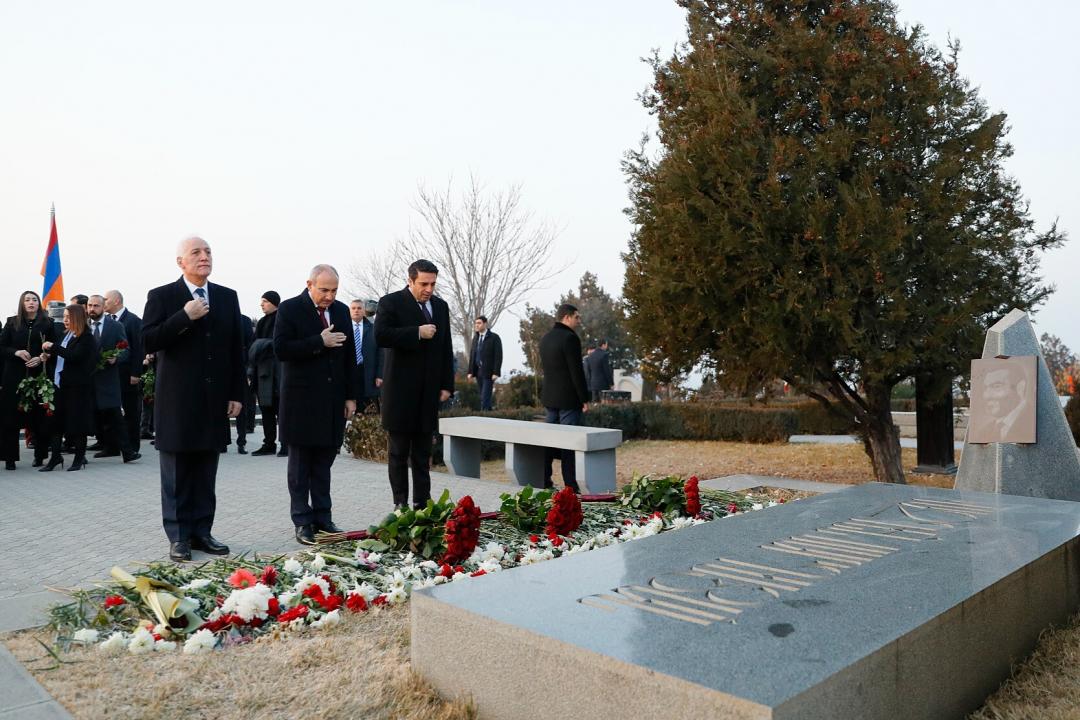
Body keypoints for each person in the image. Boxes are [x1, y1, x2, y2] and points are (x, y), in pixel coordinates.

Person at [143, 236, 245, 562]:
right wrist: (184, 317)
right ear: (180, 262)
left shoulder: (227, 297)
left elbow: (235, 350)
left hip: (214, 401)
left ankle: (202, 531)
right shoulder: (163, 296)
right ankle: (178, 536)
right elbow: (148, 339)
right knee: (176, 472)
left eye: (208, 252)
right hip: (177, 402)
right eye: (196, 253)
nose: (204, 257)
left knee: (205, 470)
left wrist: (237, 393)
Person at [274, 265, 357, 545]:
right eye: (324, 290)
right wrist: (318, 342)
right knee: (299, 468)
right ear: (309, 284)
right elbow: (281, 349)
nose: (329, 296)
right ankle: (302, 520)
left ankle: (323, 517)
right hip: (301, 401)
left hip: (332, 401)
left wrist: (350, 396)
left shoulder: (343, 311)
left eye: (334, 290)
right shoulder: (289, 309)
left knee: (323, 464)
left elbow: (349, 358)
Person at [375, 259, 454, 509]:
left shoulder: (440, 307)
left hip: (428, 392)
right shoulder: (391, 302)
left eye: (432, 283)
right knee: (398, 452)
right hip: (399, 391)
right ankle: (400, 504)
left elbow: (446, 347)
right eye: (424, 283)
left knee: (422, 453)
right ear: (410, 281)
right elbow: (381, 335)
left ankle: (423, 502)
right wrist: (416, 332)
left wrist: (446, 384)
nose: (429, 289)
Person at [1, 291, 58, 469]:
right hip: (14, 376)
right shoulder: (12, 322)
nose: (31, 303)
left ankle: (40, 455)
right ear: (22, 303)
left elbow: (53, 349)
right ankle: (10, 458)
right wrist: (16, 352)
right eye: (27, 300)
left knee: (39, 417)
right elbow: (2, 347)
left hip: (38, 376)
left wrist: (43, 357)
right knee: (10, 417)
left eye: (34, 300)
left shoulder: (47, 323)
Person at [539, 303, 589, 492]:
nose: (579, 320)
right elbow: (576, 372)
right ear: (566, 317)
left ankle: (544, 479)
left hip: (550, 398)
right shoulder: (570, 338)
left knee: (549, 443)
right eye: (577, 317)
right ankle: (571, 484)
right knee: (569, 444)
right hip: (568, 399)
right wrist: (584, 398)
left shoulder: (546, 338)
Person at [39, 304, 95, 471]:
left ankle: (79, 459)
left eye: (68, 317)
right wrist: (48, 356)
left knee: (77, 425)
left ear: (77, 318)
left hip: (77, 387)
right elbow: (62, 356)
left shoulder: (86, 337)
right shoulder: (66, 335)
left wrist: (54, 348)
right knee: (55, 423)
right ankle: (55, 457)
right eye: (63, 316)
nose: (64, 320)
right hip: (60, 385)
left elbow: (75, 356)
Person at [86, 295, 138, 462]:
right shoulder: (83, 326)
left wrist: (117, 358)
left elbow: (126, 349)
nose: (92, 309)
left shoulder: (115, 326)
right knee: (94, 415)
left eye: (96, 306)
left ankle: (128, 452)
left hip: (109, 378)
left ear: (103, 307)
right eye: (89, 305)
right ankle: (107, 447)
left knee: (115, 415)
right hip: (88, 378)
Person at [103, 290, 143, 455]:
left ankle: (132, 447)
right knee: (110, 409)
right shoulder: (105, 321)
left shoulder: (133, 320)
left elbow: (139, 349)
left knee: (131, 410)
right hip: (110, 375)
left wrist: (136, 373)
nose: (104, 302)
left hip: (127, 373)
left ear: (116, 300)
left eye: (106, 299)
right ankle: (111, 447)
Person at [250, 291, 282, 456]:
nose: (262, 305)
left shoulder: (282, 318)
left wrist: (261, 344)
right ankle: (269, 444)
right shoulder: (262, 322)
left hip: (278, 373)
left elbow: (279, 344)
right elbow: (253, 347)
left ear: (274, 302)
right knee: (266, 409)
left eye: (265, 301)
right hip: (262, 373)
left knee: (281, 409)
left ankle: (286, 444)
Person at [348, 298, 383, 414]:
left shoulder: (374, 329)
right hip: (350, 372)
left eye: (359, 308)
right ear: (349, 311)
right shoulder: (344, 328)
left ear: (364, 311)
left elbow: (381, 353)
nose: (356, 311)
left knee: (370, 410)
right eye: (353, 308)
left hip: (369, 373)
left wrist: (380, 375)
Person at [467, 315, 502, 411]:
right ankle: (489, 414)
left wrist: (496, 372)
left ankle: (484, 415)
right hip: (478, 371)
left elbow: (498, 356)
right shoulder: (476, 338)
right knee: (483, 395)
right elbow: (472, 355)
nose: (476, 325)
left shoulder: (494, 337)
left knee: (485, 396)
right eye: (476, 323)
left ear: (485, 324)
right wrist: (470, 371)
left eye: (479, 323)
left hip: (489, 372)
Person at [584, 338, 614, 403]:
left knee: (595, 403)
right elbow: (607, 371)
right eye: (606, 345)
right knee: (603, 404)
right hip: (603, 384)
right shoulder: (604, 355)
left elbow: (588, 371)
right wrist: (611, 383)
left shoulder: (590, 356)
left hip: (593, 384)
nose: (606, 346)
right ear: (603, 345)